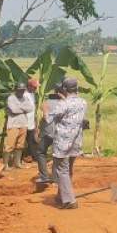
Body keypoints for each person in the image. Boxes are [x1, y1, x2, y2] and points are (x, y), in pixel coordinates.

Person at [49, 77, 87, 209]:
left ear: (64, 89)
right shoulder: (83, 102)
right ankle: (62, 196)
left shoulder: (63, 103)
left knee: (61, 170)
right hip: (76, 141)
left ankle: (70, 201)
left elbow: (51, 116)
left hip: (63, 142)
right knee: (68, 169)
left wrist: (59, 99)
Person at [35, 83, 63, 184]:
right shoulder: (65, 103)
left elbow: (45, 118)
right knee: (57, 155)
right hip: (61, 133)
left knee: (41, 152)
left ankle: (44, 176)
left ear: (55, 91)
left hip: (47, 133)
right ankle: (56, 178)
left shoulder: (46, 102)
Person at [4, 82, 33, 169]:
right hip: (13, 124)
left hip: (23, 123)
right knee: (10, 145)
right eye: (20, 90)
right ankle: (5, 165)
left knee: (20, 145)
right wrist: (23, 108)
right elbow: (14, 110)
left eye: (23, 90)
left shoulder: (25, 98)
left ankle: (17, 163)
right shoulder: (11, 98)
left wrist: (20, 107)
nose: (22, 92)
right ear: (16, 90)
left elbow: (30, 108)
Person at [24, 78, 40, 164]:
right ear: (29, 86)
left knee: (32, 140)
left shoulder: (32, 94)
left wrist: (35, 122)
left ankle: (32, 156)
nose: (35, 89)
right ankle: (28, 156)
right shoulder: (24, 95)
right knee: (27, 140)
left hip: (31, 121)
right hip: (25, 122)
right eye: (34, 87)